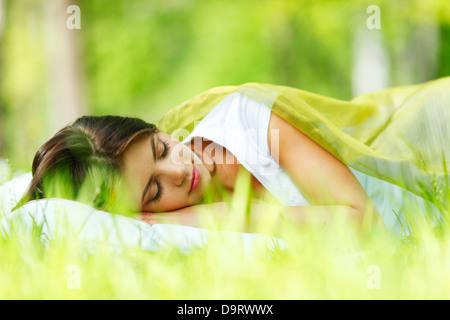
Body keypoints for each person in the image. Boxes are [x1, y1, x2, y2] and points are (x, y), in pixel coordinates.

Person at [19, 77, 450, 235]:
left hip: (427, 152)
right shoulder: (176, 237)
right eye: (154, 189)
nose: (179, 169)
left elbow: (362, 221)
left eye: (162, 148)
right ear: (139, 215)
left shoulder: (249, 122)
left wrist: (217, 215)